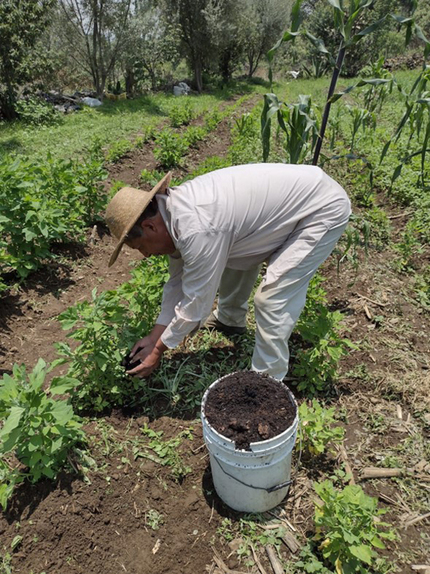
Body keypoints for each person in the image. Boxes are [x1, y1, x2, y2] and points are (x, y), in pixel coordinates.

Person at [105, 163, 351, 380]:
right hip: (295, 201)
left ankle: (268, 383)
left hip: (320, 208)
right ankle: (230, 320)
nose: (145, 255)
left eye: (141, 247)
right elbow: (178, 282)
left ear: (149, 226)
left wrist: (158, 350)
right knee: (232, 254)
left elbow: (196, 303)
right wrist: (154, 335)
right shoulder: (172, 213)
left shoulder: (197, 227)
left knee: (272, 300)